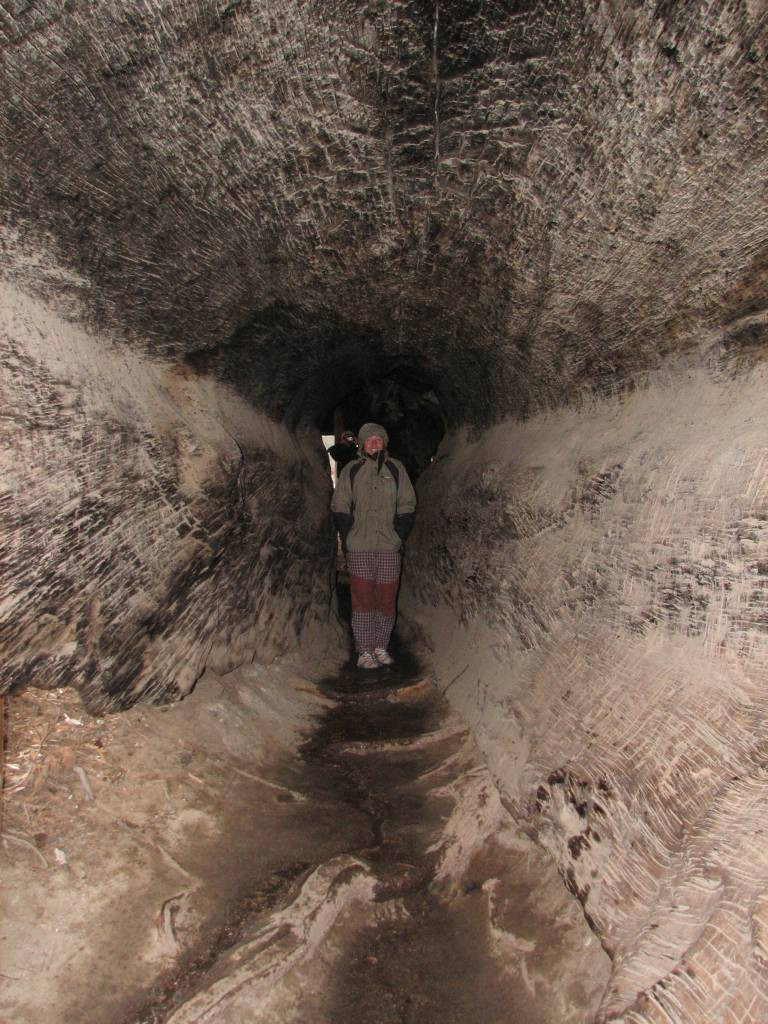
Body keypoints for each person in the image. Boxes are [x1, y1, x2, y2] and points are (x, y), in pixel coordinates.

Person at [331, 423, 416, 669]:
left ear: (384, 442)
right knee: (363, 600)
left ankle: (381, 646)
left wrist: (398, 535)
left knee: (387, 599)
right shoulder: (352, 470)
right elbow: (340, 504)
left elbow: (407, 503)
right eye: (369, 439)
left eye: (379, 439)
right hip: (359, 547)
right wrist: (348, 537)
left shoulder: (396, 469)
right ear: (362, 443)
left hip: (389, 546)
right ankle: (364, 650)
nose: (374, 443)